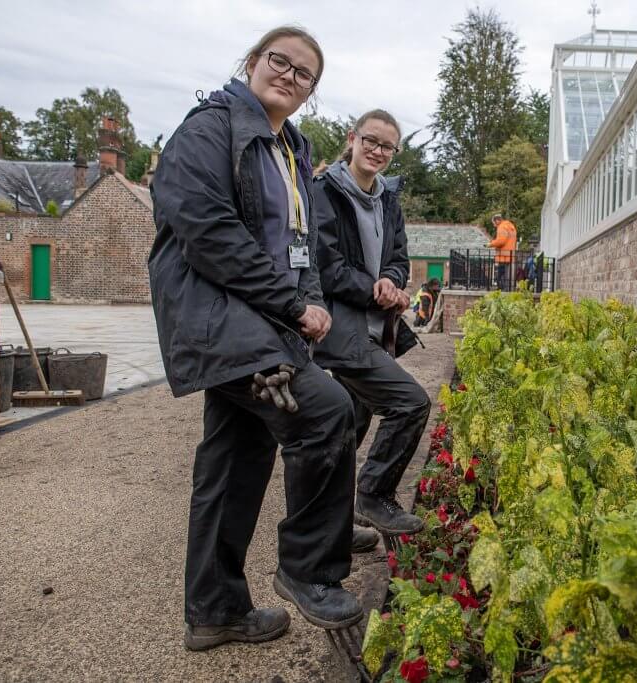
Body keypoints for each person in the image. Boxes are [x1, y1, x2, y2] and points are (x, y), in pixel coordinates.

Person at [148, 25, 370, 650]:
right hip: (221, 318)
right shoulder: (209, 129)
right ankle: (309, 570)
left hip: (261, 322)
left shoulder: (292, 151)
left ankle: (215, 610)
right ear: (251, 62)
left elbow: (308, 247)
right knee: (328, 412)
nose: (291, 77)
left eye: (306, 75)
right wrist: (293, 305)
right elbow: (209, 233)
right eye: (281, 61)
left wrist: (316, 300)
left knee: (234, 460)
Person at [312, 109, 431, 537]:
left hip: (377, 329)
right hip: (343, 329)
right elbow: (325, 264)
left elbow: (399, 259)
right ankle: (373, 495)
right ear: (352, 138)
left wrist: (393, 283)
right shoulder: (324, 192)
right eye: (371, 141)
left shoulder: (387, 198)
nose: (377, 151)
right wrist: (373, 289)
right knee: (410, 403)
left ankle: (333, 528)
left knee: (348, 431)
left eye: (387, 146)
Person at [489, 213, 518, 291]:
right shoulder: (511, 226)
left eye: (494, 223)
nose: (494, 225)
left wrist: (491, 244)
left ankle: (500, 289)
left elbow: (501, 241)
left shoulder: (501, 227)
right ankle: (508, 288)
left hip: (503, 256)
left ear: (497, 220)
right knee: (507, 276)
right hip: (510, 254)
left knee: (500, 275)